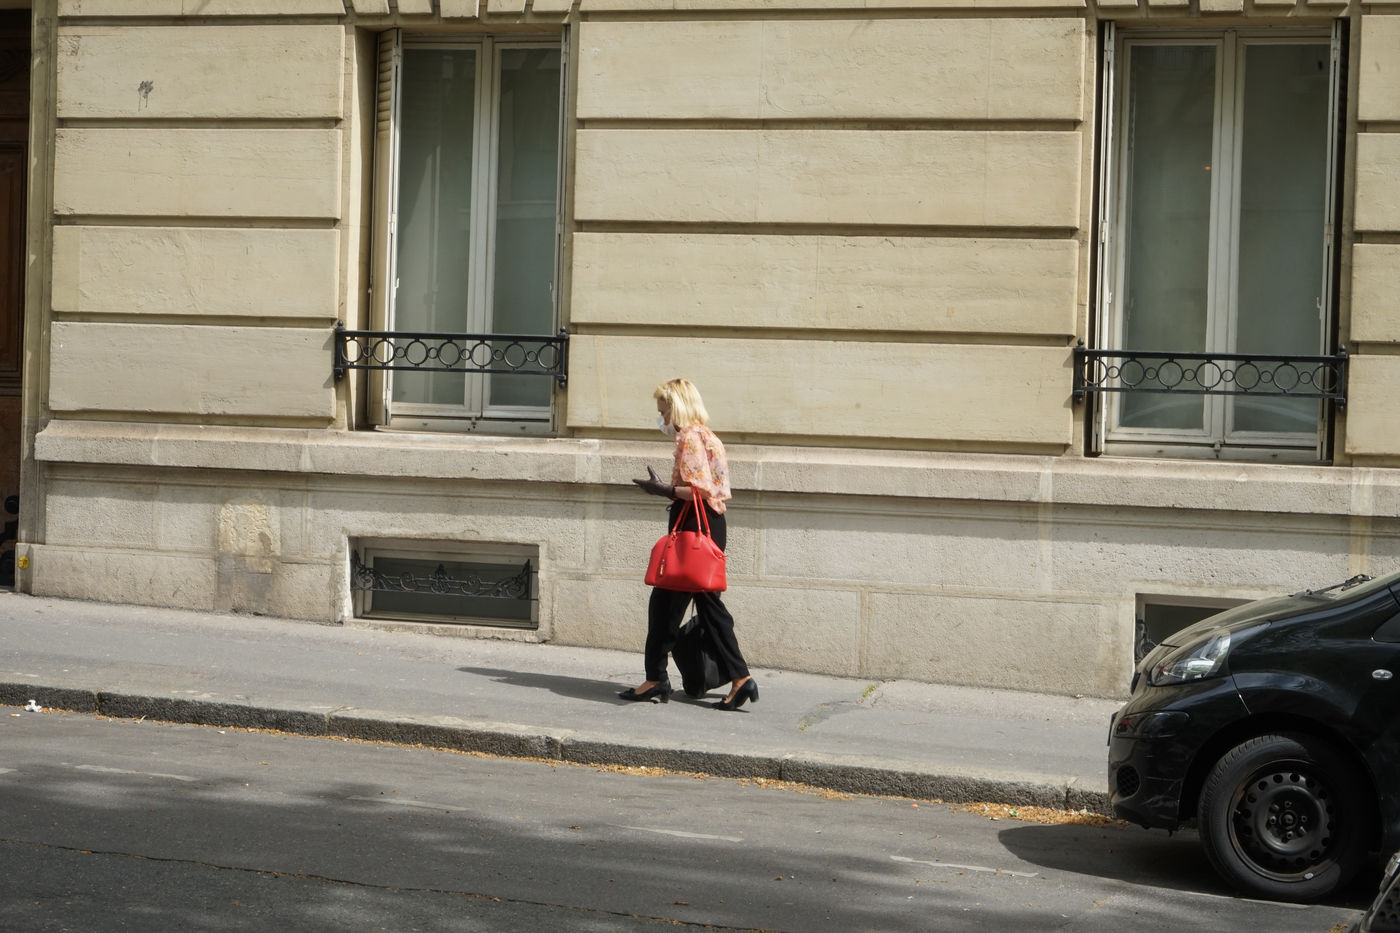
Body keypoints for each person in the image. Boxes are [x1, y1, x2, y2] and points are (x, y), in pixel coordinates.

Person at [621, 378, 758, 711]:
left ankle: (657, 679)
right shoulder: (707, 434)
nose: (662, 418)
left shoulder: (690, 436)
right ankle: (737, 678)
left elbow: (700, 489)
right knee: (706, 607)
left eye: (664, 411)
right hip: (708, 525)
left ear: (677, 407)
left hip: (695, 527)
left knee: (666, 606)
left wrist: (662, 490)